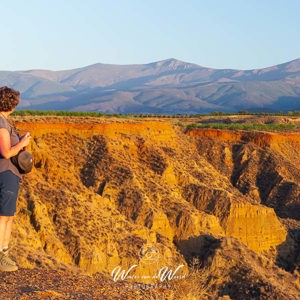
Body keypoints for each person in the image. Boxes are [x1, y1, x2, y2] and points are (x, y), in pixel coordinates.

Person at [0, 86, 31, 272]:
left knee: (8, 215)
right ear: (11, 103)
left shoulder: (5, 122)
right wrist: (22, 143)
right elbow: (6, 152)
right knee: (3, 216)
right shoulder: (2, 125)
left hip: (10, 174)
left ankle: (4, 252)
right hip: (5, 174)